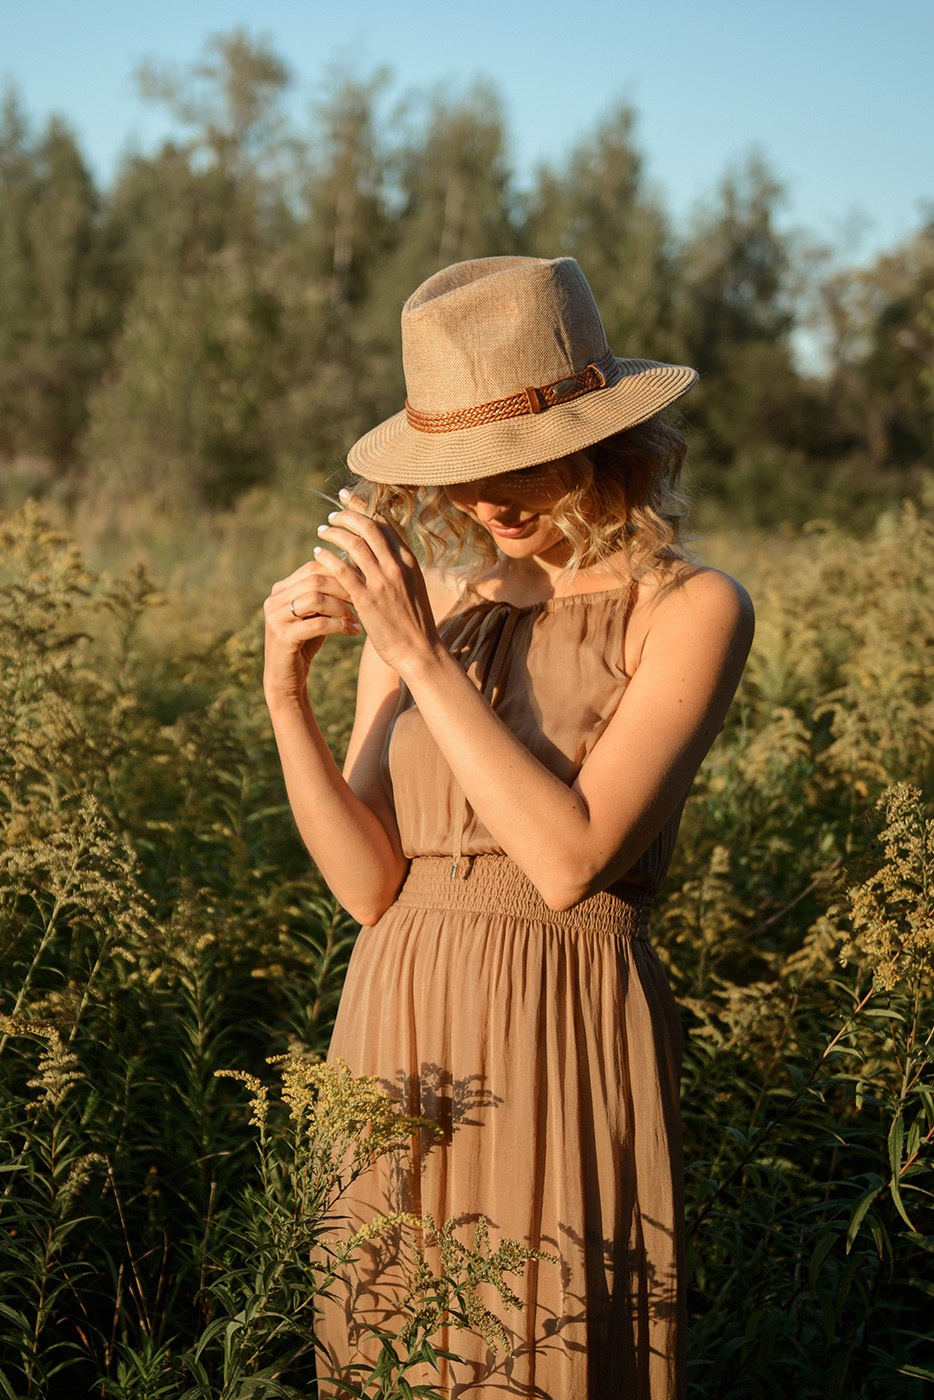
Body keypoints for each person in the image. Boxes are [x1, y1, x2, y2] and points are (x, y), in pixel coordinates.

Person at [263, 255, 754, 1399]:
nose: (488, 497)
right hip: (397, 1022)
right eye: (463, 467)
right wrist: (286, 694)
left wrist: (419, 655)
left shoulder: (688, 608)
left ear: (601, 431)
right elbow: (367, 885)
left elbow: (571, 857)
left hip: (561, 1025)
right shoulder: (434, 605)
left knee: (545, 1346)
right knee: (393, 1344)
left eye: (517, 457)